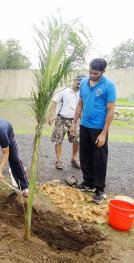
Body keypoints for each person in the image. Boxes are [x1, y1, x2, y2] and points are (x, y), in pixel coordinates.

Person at [70, 58, 116, 204]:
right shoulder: (84, 83)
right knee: (84, 156)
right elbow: (80, 103)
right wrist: (74, 123)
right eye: (90, 71)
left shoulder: (109, 85)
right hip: (85, 125)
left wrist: (103, 133)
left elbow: (110, 111)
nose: (92, 74)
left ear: (102, 72)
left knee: (99, 159)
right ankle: (88, 183)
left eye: (95, 73)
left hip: (98, 128)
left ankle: (100, 189)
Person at [47, 75, 86, 170]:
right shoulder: (64, 90)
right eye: (78, 82)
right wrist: (50, 115)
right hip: (61, 119)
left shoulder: (83, 93)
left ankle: (74, 159)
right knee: (58, 139)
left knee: (77, 140)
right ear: (74, 80)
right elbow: (54, 102)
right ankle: (58, 160)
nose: (79, 84)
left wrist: (82, 120)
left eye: (82, 83)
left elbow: (82, 107)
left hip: (74, 120)